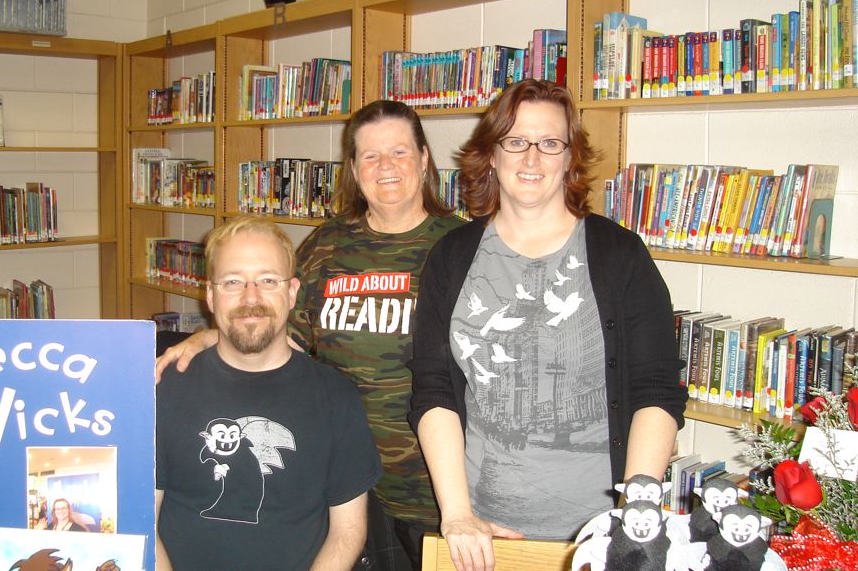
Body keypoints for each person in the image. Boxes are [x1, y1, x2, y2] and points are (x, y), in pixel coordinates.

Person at [155, 100, 465, 571]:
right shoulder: (327, 245)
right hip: (341, 483)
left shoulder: (462, 248)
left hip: (439, 489)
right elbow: (274, 326)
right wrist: (204, 339)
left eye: (400, 152)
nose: (386, 167)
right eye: (370, 156)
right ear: (353, 169)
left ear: (424, 159)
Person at [408, 79, 687, 571]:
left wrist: (632, 520)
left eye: (549, 143)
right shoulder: (452, 257)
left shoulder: (619, 255)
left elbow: (656, 389)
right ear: (491, 154)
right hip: (480, 536)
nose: (531, 158)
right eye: (515, 141)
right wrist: (457, 514)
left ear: (569, 156)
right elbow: (434, 390)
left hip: (601, 535)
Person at [155, 215, 382, 571]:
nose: (251, 297)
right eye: (233, 282)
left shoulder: (335, 396)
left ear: (292, 293)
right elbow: (143, 522)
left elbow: (348, 530)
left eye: (267, 280)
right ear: (211, 296)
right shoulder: (164, 390)